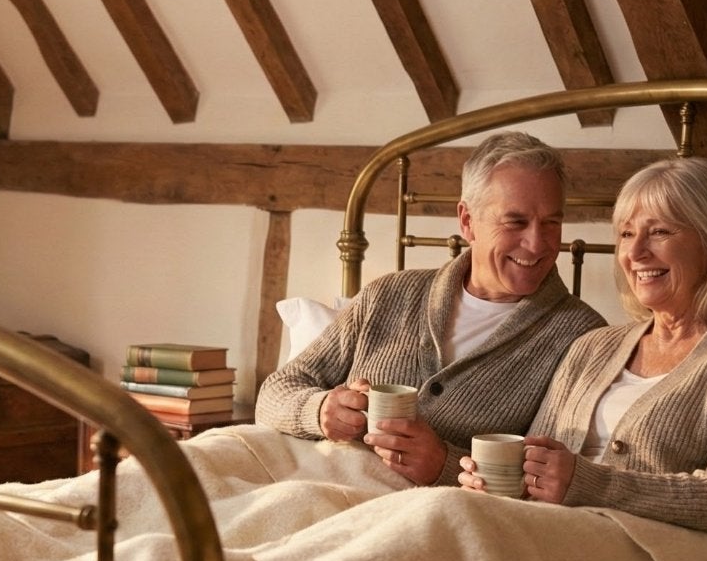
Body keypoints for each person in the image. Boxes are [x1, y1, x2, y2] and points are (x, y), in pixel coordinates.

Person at [461, 156, 707, 561]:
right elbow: (536, 458)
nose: (635, 252)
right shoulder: (592, 347)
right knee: (448, 515)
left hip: (670, 554)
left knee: (451, 532)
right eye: (626, 234)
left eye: (659, 231)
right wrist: (500, 479)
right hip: (562, 534)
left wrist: (588, 483)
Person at [256, 131, 606, 486]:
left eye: (552, 223)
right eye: (515, 222)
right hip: (308, 479)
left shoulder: (582, 338)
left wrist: (444, 464)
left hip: (420, 514)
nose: (536, 243)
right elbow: (274, 392)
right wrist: (320, 410)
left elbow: (548, 479)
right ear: (467, 221)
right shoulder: (388, 295)